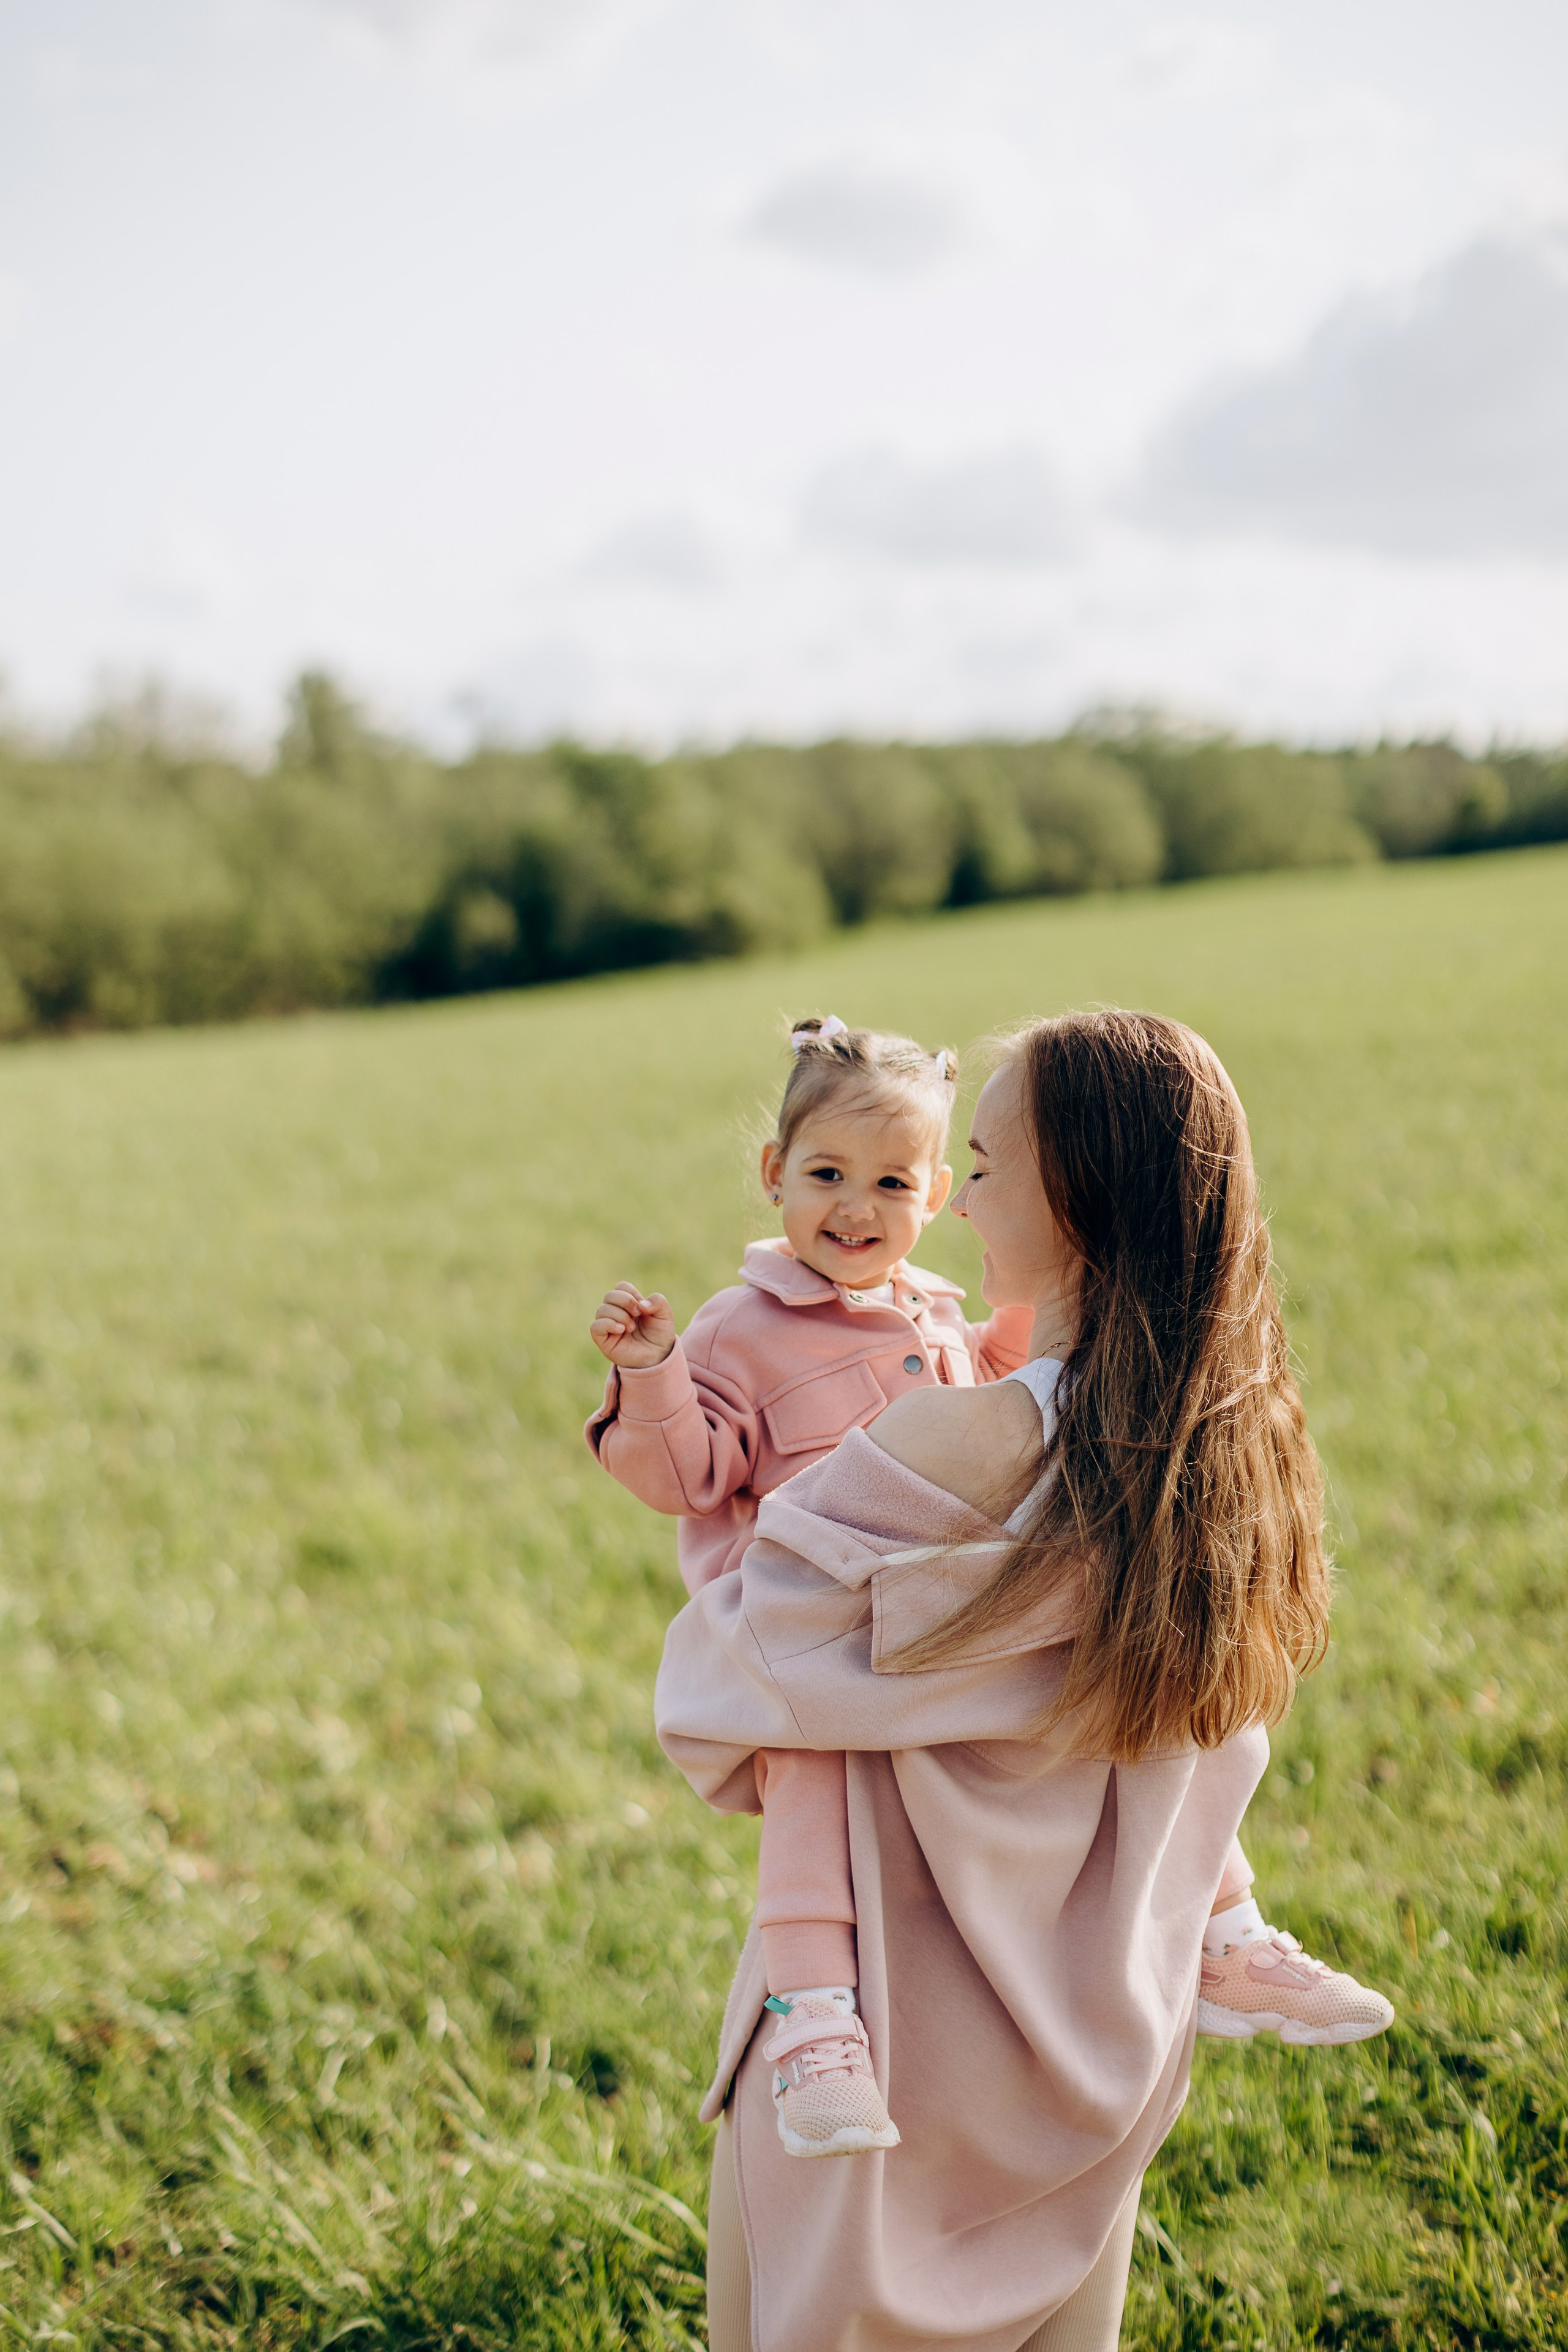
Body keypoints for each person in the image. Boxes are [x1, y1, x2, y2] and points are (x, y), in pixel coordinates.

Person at [654, 1012, 1365, 2351]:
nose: (951, 1204)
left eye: (975, 1166)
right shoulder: (1229, 1453)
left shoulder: (947, 1440)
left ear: (1073, 1198)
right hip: (1100, 2049)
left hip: (886, 2055)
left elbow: (708, 1689)